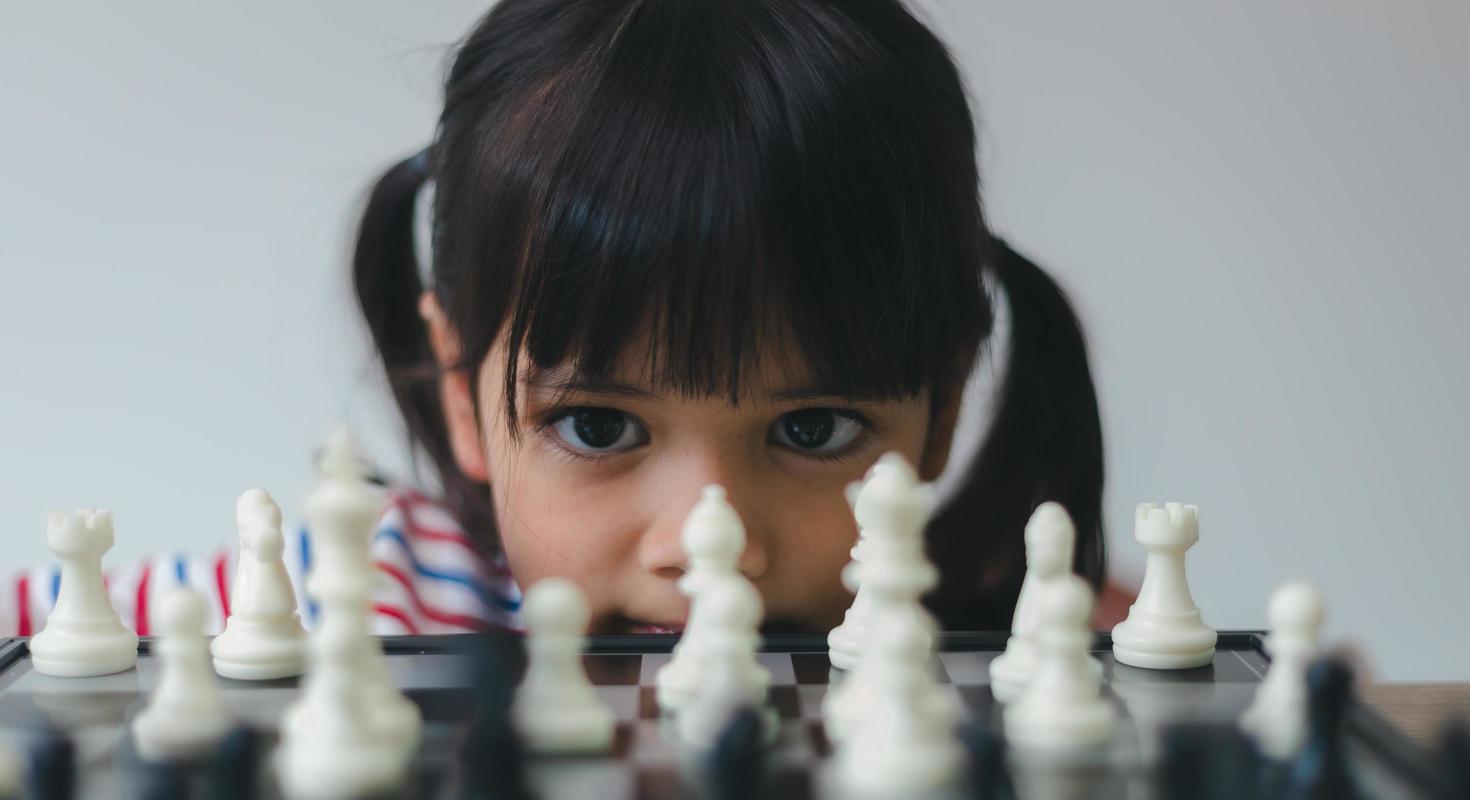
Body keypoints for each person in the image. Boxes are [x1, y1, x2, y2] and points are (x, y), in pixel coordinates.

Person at [7, 0, 1118, 639]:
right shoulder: (354, 594)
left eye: (815, 426)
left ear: (941, 408)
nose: (705, 543)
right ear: (462, 395)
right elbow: (40, 632)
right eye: (597, 425)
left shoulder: (1018, 638)